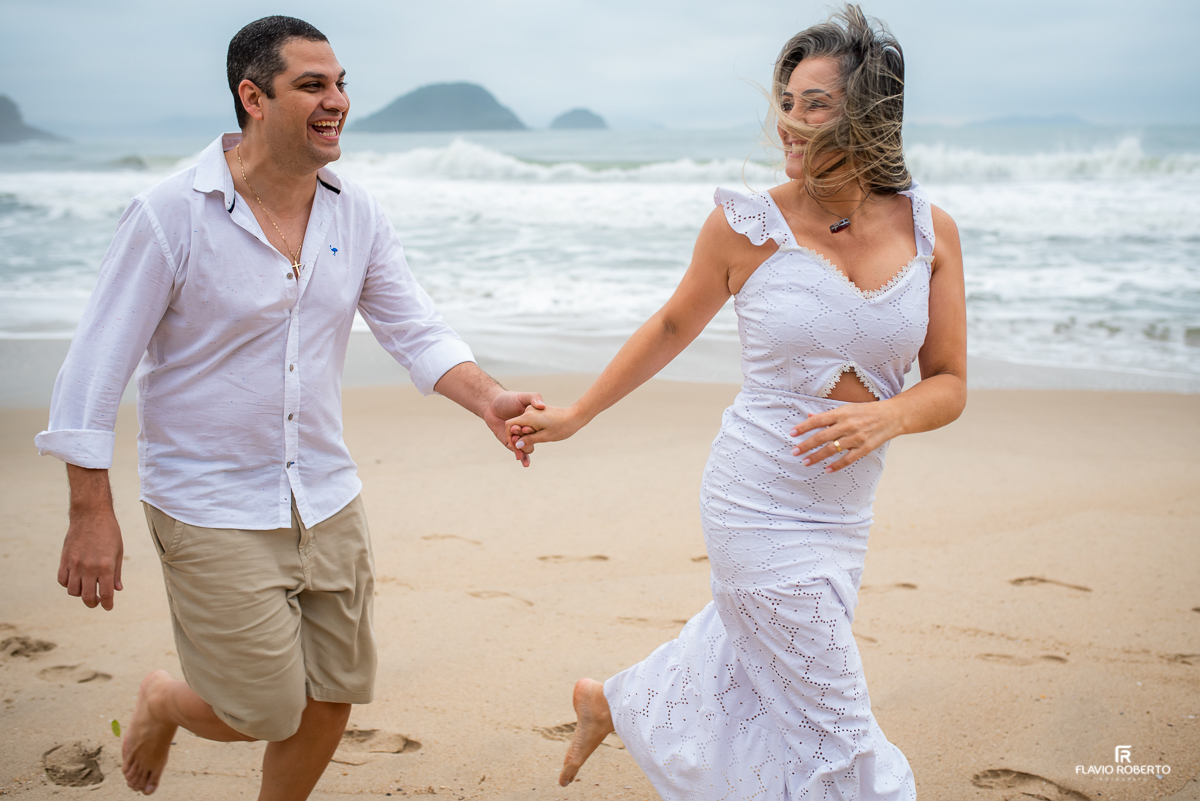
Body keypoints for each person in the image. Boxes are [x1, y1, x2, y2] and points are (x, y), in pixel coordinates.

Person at [35, 16, 540, 800]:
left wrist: (489, 398)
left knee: (332, 695)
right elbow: (93, 369)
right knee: (264, 708)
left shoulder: (355, 211)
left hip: (326, 492)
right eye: (313, 84)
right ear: (253, 96)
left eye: (340, 84)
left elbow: (416, 329)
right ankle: (165, 698)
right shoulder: (171, 214)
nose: (337, 100)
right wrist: (88, 511)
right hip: (209, 500)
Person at [505, 6, 965, 798]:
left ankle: (612, 699)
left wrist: (888, 414)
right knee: (839, 735)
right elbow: (673, 323)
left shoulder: (931, 232)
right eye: (787, 100)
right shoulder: (747, 227)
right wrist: (577, 414)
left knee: (758, 663)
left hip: (844, 516)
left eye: (814, 103)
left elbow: (950, 381)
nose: (790, 121)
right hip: (754, 500)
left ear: (871, 113)